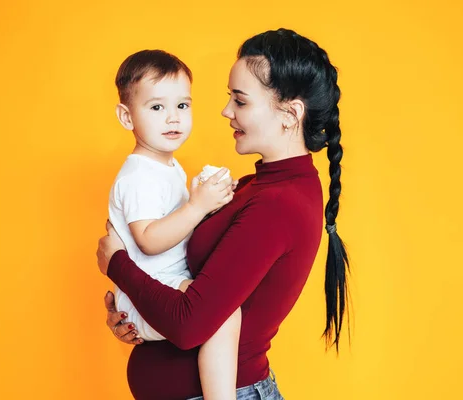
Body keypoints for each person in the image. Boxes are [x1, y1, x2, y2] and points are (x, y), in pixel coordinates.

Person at [97, 28, 349, 400]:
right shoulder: (253, 187)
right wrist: (132, 310)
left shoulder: (279, 204)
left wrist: (117, 264)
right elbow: (181, 285)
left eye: (241, 101)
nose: (225, 111)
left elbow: (189, 324)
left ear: (290, 114)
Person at [107, 49, 241, 400]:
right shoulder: (138, 174)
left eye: (182, 106)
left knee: (221, 309)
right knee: (222, 314)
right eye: (156, 107)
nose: (173, 118)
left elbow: (178, 229)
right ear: (126, 116)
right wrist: (197, 206)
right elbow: (150, 239)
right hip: (148, 296)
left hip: (167, 284)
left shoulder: (168, 167)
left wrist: (211, 203)